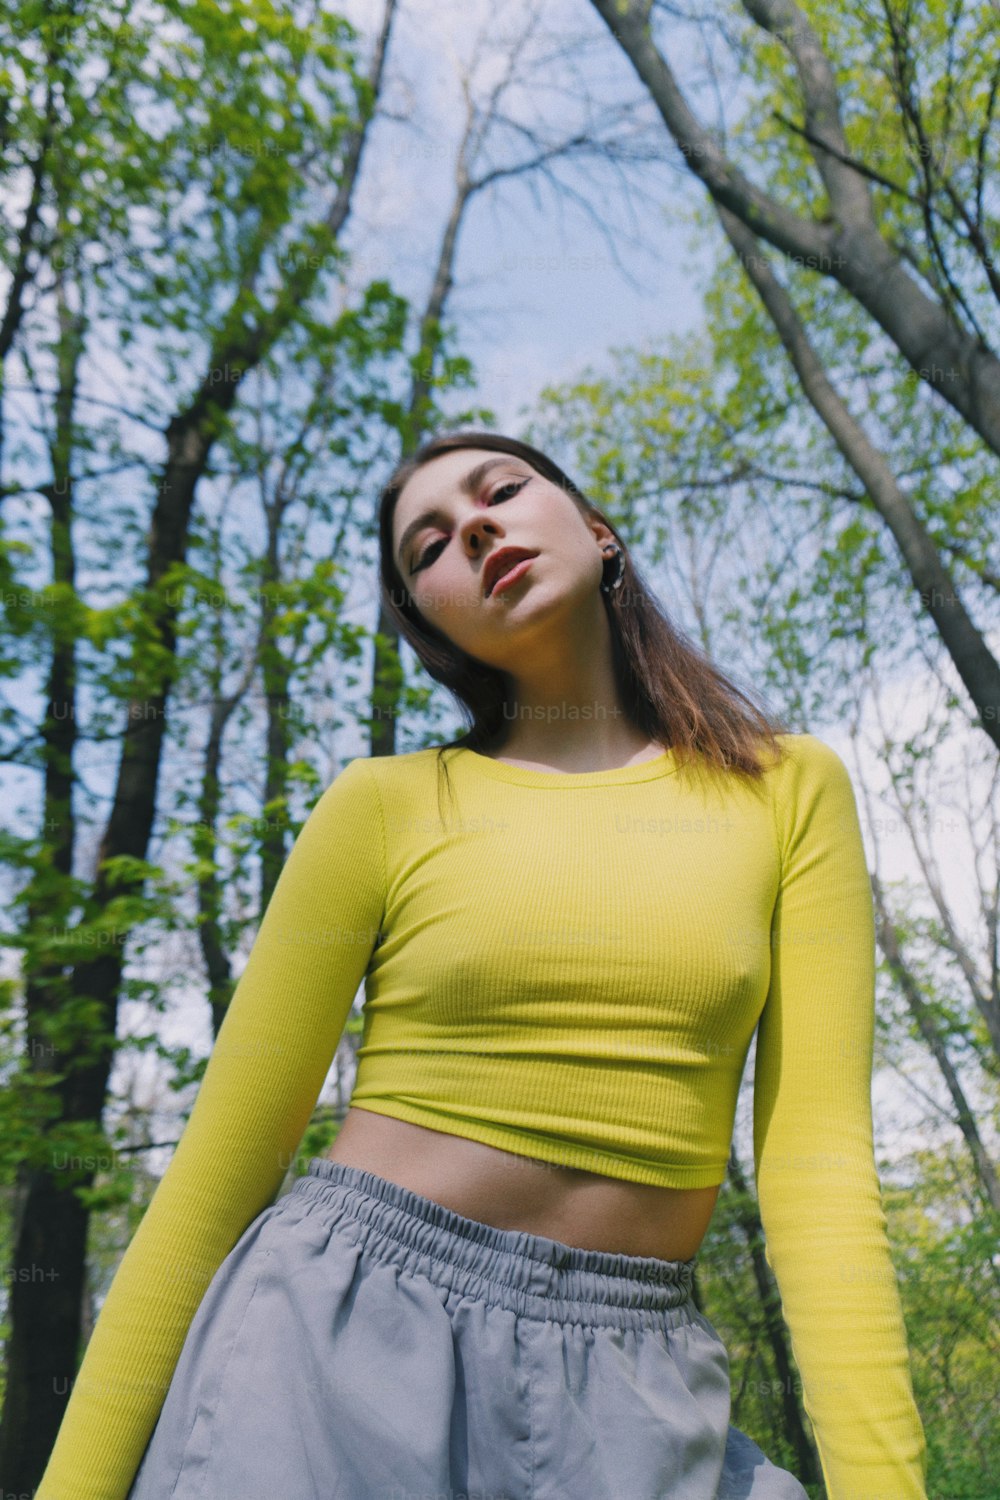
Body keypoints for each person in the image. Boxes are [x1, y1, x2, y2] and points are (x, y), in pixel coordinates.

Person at [36, 431, 929, 1500]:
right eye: (429, 548)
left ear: (599, 534)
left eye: (501, 490)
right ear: (432, 629)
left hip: (635, 1387)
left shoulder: (787, 791)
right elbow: (209, 1189)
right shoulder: (385, 806)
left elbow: (819, 1174)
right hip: (333, 1351)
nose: (473, 527)